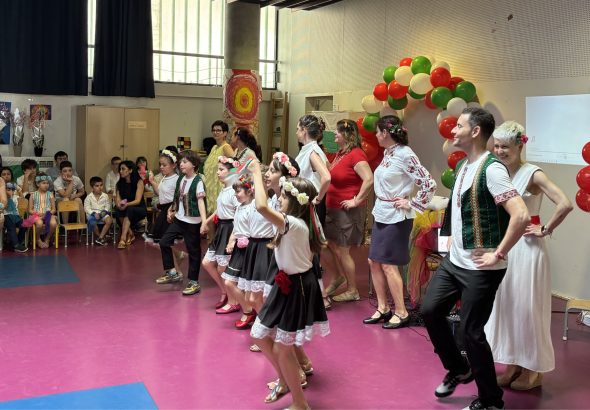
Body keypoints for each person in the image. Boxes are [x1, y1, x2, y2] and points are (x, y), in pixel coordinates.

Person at [420, 108, 530, 410]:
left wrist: (499, 252)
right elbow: (460, 209)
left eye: (459, 126)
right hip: (455, 262)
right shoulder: (462, 165)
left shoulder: (492, 170)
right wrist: (449, 240)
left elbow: (520, 215)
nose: (453, 130)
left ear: (476, 131)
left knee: (471, 332)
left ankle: (491, 400)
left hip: (481, 269)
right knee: (430, 311)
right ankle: (459, 368)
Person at [484, 121, 573, 391]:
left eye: (505, 147)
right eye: (496, 146)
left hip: (528, 249)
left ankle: (533, 369)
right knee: (508, 305)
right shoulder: (497, 171)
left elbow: (565, 203)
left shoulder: (533, 173)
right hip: (505, 246)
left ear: (519, 146)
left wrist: (544, 229)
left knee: (527, 307)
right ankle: (513, 364)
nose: (500, 151)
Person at [248, 159, 329, 409]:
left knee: (283, 348)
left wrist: (256, 174)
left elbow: (261, 206)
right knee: (260, 335)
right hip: (287, 284)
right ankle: (285, 381)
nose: (279, 199)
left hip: (297, 287)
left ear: (294, 201)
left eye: (283, 196)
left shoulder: (293, 224)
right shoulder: (295, 223)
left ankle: (300, 402)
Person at [363, 115, 436, 329]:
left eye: (378, 132)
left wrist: (411, 203)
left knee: (388, 264)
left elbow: (428, 183)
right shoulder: (389, 153)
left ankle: (401, 312)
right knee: (373, 261)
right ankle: (383, 307)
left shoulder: (405, 154)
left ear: (385, 133)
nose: (376, 136)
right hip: (382, 212)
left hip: (397, 217)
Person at [324, 119, 373, 302]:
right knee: (330, 245)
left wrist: (356, 200)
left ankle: (353, 290)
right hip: (333, 208)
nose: (334, 134)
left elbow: (369, 179)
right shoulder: (340, 154)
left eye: (337, 131)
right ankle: (339, 277)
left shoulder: (356, 154)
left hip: (345, 212)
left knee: (343, 251)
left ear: (347, 134)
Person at [157, 150, 207, 296]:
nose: (181, 164)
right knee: (164, 242)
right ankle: (172, 272)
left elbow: (201, 202)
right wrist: (171, 210)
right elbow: (177, 198)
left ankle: (194, 281)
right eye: (181, 161)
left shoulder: (198, 181)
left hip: (193, 222)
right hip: (179, 219)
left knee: (194, 251)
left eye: (185, 162)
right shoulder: (181, 179)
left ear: (194, 164)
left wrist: (204, 222)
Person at [295, 114, 332, 308]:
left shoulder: (312, 151)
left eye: (297, 129)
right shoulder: (311, 149)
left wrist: (318, 197)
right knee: (308, 249)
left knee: (310, 249)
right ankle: (316, 293)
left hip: (311, 204)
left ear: (304, 130)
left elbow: (326, 177)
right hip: (307, 203)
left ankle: (321, 295)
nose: (296, 132)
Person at [200, 156, 240, 310]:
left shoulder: (234, 191)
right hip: (221, 228)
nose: (218, 172)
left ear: (232, 172)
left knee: (223, 267)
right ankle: (225, 292)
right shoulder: (224, 189)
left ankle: (233, 301)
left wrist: (233, 237)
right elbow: (219, 209)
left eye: (221, 170)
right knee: (207, 262)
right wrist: (206, 221)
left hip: (229, 228)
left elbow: (238, 213)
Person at [220, 174, 256, 324]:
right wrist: (231, 242)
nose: (236, 195)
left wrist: (247, 239)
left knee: (238, 283)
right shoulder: (240, 207)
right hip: (238, 248)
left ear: (249, 191)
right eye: (235, 191)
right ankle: (248, 310)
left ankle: (249, 311)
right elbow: (236, 228)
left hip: (247, 249)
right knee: (230, 281)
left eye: (238, 191)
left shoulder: (253, 208)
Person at [202, 120, 234, 213]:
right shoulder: (214, 147)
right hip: (210, 184)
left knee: (217, 213)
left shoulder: (226, 147)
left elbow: (235, 166)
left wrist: (227, 181)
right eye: (214, 130)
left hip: (219, 185)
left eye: (218, 130)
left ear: (225, 133)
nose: (215, 132)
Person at [148, 149, 180, 243]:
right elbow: (159, 193)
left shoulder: (176, 179)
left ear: (174, 165)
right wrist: (152, 181)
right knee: (162, 240)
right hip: (164, 209)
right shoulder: (165, 177)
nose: (161, 167)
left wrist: (173, 211)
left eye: (164, 165)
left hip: (170, 209)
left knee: (166, 240)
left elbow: (178, 198)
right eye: (160, 164)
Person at [115, 160, 147, 249]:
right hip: (126, 208)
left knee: (129, 209)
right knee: (118, 210)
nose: (120, 171)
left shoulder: (139, 182)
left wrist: (126, 205)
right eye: (120, 169)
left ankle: (123, 238)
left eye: (123, 169)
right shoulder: (119, 184)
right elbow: (118, 199)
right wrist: (119, 205)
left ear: (130, 170)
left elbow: (137, 200)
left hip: (139, 209)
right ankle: (130, 233)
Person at [26, 173, 57, 249]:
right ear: (37, 184)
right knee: (39, 223)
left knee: (53, 223)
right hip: (36, 215)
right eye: (43, 183)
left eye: (47, 183)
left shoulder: (50, 194)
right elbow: (30, 210)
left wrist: (48, 214)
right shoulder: (33, 195)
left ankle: (47, 239)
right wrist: (37, 214)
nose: (46, 185)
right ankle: (38, 239)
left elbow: (54, 209)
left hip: (48, 214)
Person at [84, 176, 113, 246]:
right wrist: (94, 214)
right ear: (92, 187)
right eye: (97, 186)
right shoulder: (88, 197)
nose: (100, 187)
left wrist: (103, 213)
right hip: (92, 214)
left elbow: (107, 206)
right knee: (92, 222)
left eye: (101, 185)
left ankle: (100, 238)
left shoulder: (105, 196)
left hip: (102, 213)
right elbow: (86, 208)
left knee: (109, 220)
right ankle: (100, 237)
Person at [2, 182, 27, 252]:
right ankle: (16, 245)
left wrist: (19, 190)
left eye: (12, 190)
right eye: (8, 190)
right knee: (11, 226)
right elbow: (3, 207)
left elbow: (23, 201)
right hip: (6, 215)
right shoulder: (2, 198)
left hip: (15, 216)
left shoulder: (15, 197)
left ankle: (18, 242)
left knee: (24, 224)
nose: (11, 191)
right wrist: (7, 197)